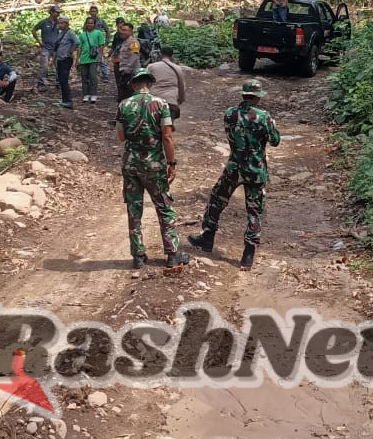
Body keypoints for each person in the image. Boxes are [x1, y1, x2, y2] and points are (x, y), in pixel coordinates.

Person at [188, 79, 280, 271]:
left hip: (234, 166)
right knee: (254, 210)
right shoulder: (264, 117)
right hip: (256, 169)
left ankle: (207, 237)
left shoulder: (229, 114)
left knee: (217, 199)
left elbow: (232, 136)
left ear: (243, 94)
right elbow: (275, 141)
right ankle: (248, 254)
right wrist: (271, 127)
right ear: (257, 97)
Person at [116, 68, 188, 270]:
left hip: (131, 164)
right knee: (164, 207)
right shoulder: (161, 104)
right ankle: (172, 254)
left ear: (133, 84)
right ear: (150, 83)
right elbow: (167, 136)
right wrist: (172, 163)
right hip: (154, 165)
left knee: (134, 209)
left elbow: (121, 137)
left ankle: (138, 256)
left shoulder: (123, 105)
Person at [147, 46, 186, 121]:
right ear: (172, 56)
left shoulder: (151, 67)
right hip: (170, 102)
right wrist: (179, 101)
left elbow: (144, 84)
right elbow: (182, 86)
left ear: (160, 54)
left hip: (153, 101)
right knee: (168, 125)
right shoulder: (178, 68)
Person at [111, 21, 141, 104]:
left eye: (125, 30)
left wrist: (127, 69)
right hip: (124, 72)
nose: (122, 32)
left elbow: (134, 57)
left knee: (129, 95)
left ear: (131, 32)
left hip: (131, 73)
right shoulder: (124, 42)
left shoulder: (133, 42)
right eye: (121, 30)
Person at [78, 17, 105, 103]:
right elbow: (79, 47)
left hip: (93, 58)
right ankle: (86, 94)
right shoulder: (82, 35)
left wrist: (100, 57)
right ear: (86, 24)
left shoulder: (98, 33)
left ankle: (93, 94)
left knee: (93, 76)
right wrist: (77, 59)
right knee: (84, 77)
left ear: (94, 24)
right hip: (84, 58)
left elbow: (101, 46)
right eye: (88, 23)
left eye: (91, 23)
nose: (90, 24)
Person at [89, 5, 112, 81]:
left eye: (94, 11)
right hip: (90, 43)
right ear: (89, 12)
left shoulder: (101, 21)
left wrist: (107, 41)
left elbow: (107, 30)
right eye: (92, 11)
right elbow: (84, 31)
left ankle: (105, 75)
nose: (93, 13)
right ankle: (92, 75)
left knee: (101, 58)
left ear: (97, 12)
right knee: (90, 58)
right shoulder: (88, 21)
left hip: (99, 43)